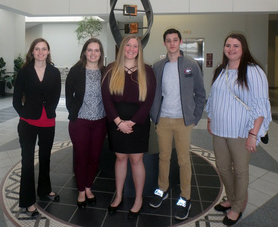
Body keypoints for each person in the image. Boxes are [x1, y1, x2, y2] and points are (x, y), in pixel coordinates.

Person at [206, 33, 271, 226]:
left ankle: (236, 207)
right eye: (228, 45)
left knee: (240, 171)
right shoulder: (221, 70)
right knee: (223, 168)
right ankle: (232, 198)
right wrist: (210, 119)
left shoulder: (253, 71)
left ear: (243, 49)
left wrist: (253, 134)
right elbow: (214, 98)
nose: (231, 49)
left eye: (236, 46)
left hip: (241, 131)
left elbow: (260, 106)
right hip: (219, 130)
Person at [149, 28, 206, 221]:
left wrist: (194, 117)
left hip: (183, 121)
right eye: (168, 40)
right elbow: (153, 94)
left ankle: (185, 197)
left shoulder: (190, 65)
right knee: (164, 157)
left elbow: (200, 93)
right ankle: (162, 188)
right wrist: (154, 116)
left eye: (175, 40)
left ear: (180, 42)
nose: (172, 43)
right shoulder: (158, 66)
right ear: (164, 43)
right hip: (163, 120)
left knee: (183, 160)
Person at [101, 35, 156, 220]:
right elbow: (106, 99)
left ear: (139, 50)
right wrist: (118, 123)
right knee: (120, 158)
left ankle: (138, 199)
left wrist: (131, 123)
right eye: (128, 45)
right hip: (116, 123)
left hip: (138, 124)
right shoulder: (110, 70)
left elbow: (149, 101)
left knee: (136, 160)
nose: (131, 49)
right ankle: (118, 196)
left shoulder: (147, 71)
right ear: (122, 47)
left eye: (135, 46)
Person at [13, 38, 61, 218]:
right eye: (37, 49)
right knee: (27, 161)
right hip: (28, 122)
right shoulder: (24, 72)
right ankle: (27, 201)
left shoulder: (54, 72)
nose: (40, 52)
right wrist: (23, 114)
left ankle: (44, 189)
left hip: (48, 121)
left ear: (48, 52)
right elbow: (16, 98)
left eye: (44, 49)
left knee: (45, 157)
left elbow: (56, 96)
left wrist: (49, 110)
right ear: (32, 52)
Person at [65, 38, 107, 209]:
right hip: (80, 122)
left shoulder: (105, 72)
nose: (93, 53)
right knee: (81, 157)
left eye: (96, 50)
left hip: (99, 121)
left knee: (94, 157)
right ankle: (81, 190)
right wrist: (73, 111)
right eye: (90, 50)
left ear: (101, 53)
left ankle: (89, 187)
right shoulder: (76, 71)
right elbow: (68, 96)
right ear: (84, 52)